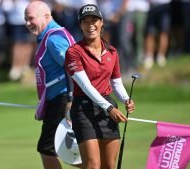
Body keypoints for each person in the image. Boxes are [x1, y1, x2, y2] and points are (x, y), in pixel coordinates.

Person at [65, 4, 135, 169]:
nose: (90, 25)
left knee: (109, 165)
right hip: (84, 109)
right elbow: (86, 86)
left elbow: (116, 81)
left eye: (94, 20)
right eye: (85, 21)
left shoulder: (112, 52)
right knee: (93, 165)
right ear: (80, 25)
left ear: (102, 22)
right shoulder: (74, 52)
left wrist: (126, 99)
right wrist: (110, 108)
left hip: (107, 108)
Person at [24, 1, 78, 169]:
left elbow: (74, 69)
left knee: (47, 148)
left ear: (47, 16)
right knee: (66, 151)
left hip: (63, 99)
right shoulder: (48, 36)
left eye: (31, 18)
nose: (28, 23)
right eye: (26, 19)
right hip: (58, 99)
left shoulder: (53, 39)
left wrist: (70, 100)